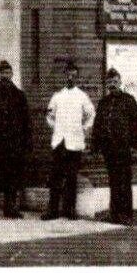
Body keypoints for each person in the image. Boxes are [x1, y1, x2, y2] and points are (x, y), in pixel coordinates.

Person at [42, 62, 96, 220]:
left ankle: (69, 209)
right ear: (64, 76)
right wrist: (57, 129)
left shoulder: (82, 96)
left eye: (73, 74)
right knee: (56, 177)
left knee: (72, 177)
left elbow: (91, 115)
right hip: (59, 142)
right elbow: (49, 116)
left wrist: (84, 128)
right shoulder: (57, 96)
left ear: (77, 77)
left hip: (75, 142)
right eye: (68, 74)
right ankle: (52, 210)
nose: (70, 77)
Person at [90, 68, 137, 225]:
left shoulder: (129, 100)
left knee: (124, 181)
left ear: (120, 82)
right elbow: (98, 125)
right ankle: (114, 213)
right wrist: (95, 146)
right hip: (109, 148)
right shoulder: (103, 103)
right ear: (106, 84)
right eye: (110, 82)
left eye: (115, 82)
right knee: (113, 181)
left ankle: (126, 214)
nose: (112, 85)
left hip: (123, 148)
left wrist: (134, 143)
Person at [0, 60, 31, 218]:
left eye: (8, 73)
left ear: (12, 74)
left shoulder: (19, 96)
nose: (5, 76)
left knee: (13, 178)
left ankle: (10, 208)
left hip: (14, 144)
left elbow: (26, 121)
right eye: (2, 73)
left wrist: (26, 142)